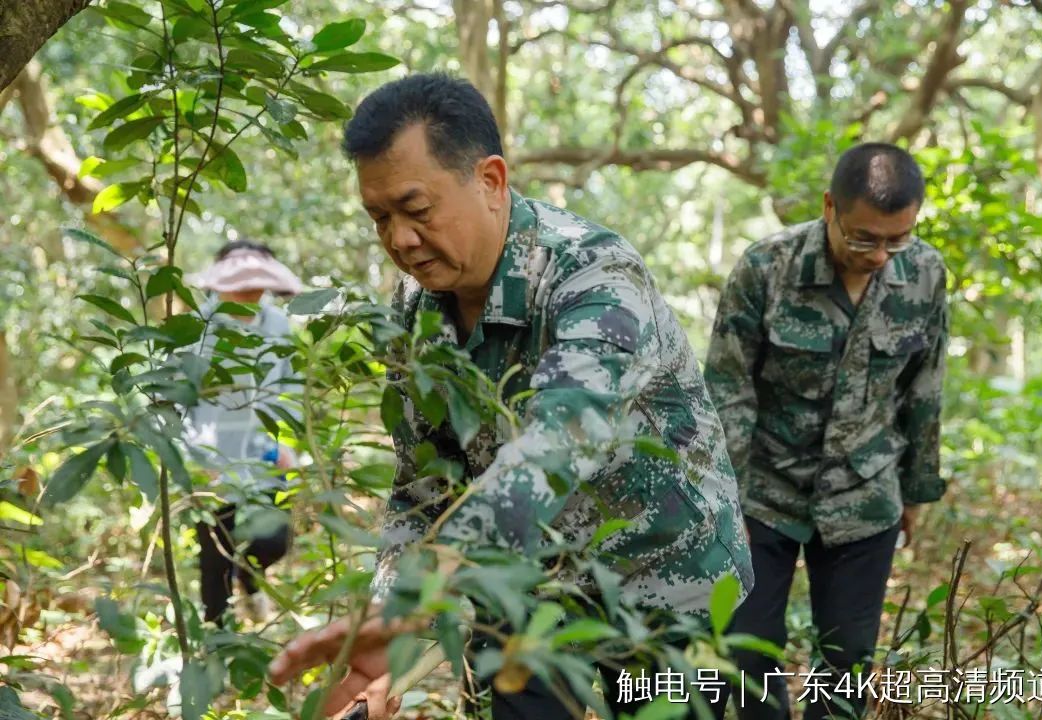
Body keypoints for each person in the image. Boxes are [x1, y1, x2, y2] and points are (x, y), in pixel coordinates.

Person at [268, 73, 754, 719]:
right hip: (523, 593)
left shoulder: (594, 273)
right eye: (379, 218)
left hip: (663, 585)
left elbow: (564, 436)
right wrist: (393, 620)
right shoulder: (415, 311)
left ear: (491, 181)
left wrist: (432, 584)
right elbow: (425, 486)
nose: (399, 240)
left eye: (417, 210)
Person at [704, 143, 948, 719]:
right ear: (829, 207)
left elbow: (925, 386)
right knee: (747, 652)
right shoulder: (767, 267)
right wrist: (724, 501)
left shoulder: (925, 274)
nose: (881, 256)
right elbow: (728, 389)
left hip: (866, 492)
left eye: (898, 240)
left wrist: (916, 491)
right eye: (864, 238)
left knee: (847, 660)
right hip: (764, 491)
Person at [185, 240, 303, 625]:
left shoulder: (278, 324)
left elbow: (291, 386)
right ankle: (218, 639)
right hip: (212, 460)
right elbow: (176, 398)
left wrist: (287, 444)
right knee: (214, 558)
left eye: (257, 282)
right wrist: (193, 456)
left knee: (275, 539)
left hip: (264, 453)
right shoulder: (197, 327)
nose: (249, 290)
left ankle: (250, 576)